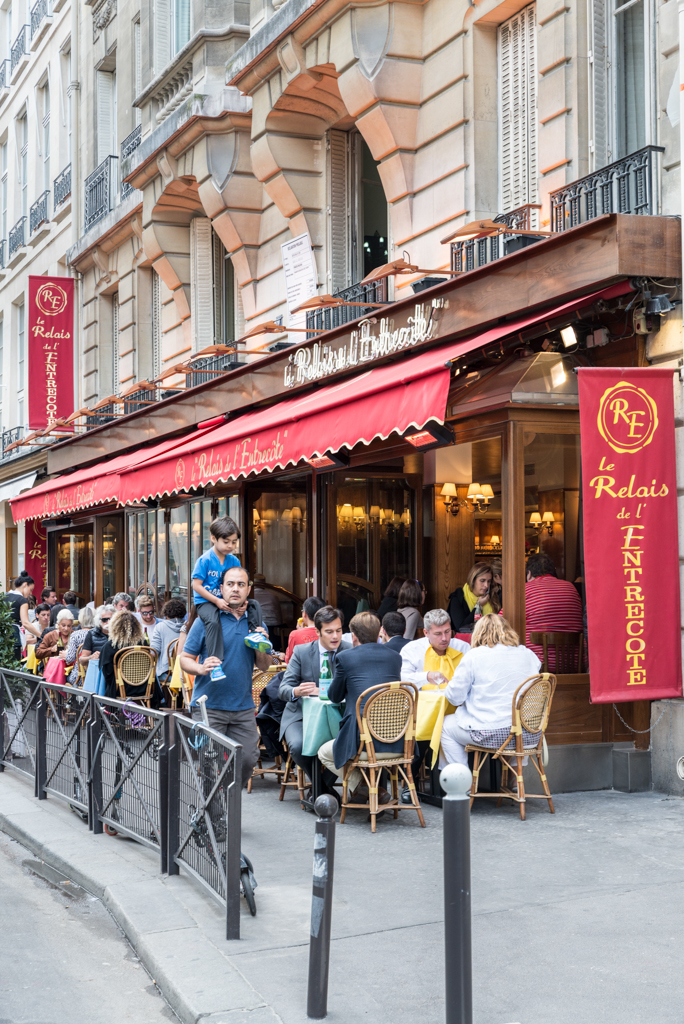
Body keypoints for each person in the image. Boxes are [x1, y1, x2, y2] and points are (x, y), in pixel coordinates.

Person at [179, 566, 272, 788]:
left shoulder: (256, 622)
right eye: (230, 584)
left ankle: (225, 797)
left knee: (247, 760)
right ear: (221, 588)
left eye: (241, 584)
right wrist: (201, 668)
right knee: (209, 765)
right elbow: (184, 659)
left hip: (243, 708)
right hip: (209, 707)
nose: (235, 589)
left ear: (248, 589)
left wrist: (261, 643)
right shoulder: (207, 620)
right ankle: (213, 814)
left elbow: (265, 666)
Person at [317, 611, 403, 803]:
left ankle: (364, 786)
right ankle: (375, 789)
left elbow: (334, 696)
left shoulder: (346, 658)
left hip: (362, 741)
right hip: (397, 739)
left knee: (324, 753)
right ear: (380, 632)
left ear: (353, 636)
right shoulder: (395, 657)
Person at [441, 614, 542, 767]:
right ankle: (514, 778)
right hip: (530, 733)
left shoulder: (474, 656)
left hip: (492, 734)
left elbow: (455, 698)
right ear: (508, 631)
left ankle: (463, 783)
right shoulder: (527, 653)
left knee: (444, 726)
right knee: (518, 721)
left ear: (478, 633)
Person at [278, 605, 352, 781]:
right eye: (329, 632)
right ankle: (322, 789)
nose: (335, 636)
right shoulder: (302, 652)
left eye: (339, 631)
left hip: (340, 717)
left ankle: (321, 791)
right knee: (297, 745)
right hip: (301, 714)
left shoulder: (349, 651)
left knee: (341, 746)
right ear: (317, 632)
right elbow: (283, 689)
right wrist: (297, 690)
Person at [191, 515, 242, 681]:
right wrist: (216, 601)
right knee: (213, 621)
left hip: (226, 600)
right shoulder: (204, 560)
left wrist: (242, 601)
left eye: (234, 542)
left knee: (254, 606)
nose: (230, 546)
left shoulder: (233, 560)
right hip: (206, 601)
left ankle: (256, 634)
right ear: (213, 538)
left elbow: (239, 580)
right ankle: (215, 664)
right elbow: (196, 586)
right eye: (226, 541)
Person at [525, 552, 583, 669]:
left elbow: (499, 622)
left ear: (529, 573)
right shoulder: (571, 588)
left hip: (537, 667)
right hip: (575, 665)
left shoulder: (526, 590)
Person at [100, 610, 148, 700]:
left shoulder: (110, 646)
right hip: (144, 686)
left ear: (115, 626)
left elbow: (107, 673)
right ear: (136, 627)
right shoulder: (143, 643)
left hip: (120, 688)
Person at [447, 562, 500, 633]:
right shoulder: (458, 598)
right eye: (482, 581)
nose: (486, 585)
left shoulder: (493, 596)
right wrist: (478, 606)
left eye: (489, 581)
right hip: (467, 642)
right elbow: (461, 627)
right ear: (473, 580)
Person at [4, 573, 40, 655]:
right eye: (31, 589)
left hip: (2, 634)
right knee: (13, 665)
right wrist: (41, 635)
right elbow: (26, 623)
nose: (31, 593)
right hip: (13, 635)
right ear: (25, 585)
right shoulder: (22, 600)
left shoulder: (4, 596)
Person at [150, 599, 186, 679]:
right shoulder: (189, 626)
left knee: (153, 676)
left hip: (167, 673)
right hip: (186, 673)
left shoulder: (160, 627)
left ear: (166, 613)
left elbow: (154, 651)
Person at [284, 596, 326, 662]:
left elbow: (289, 660)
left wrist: (299, 632)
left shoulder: (295, 634)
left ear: (304, 614)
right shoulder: (329, 633)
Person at [62, 606, 95, 682]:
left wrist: (65, 655)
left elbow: (70, 658)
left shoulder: (75, 635)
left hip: (79, 677)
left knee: (62, 677)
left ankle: (57, 693)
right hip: (94, 678)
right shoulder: (98, 635)